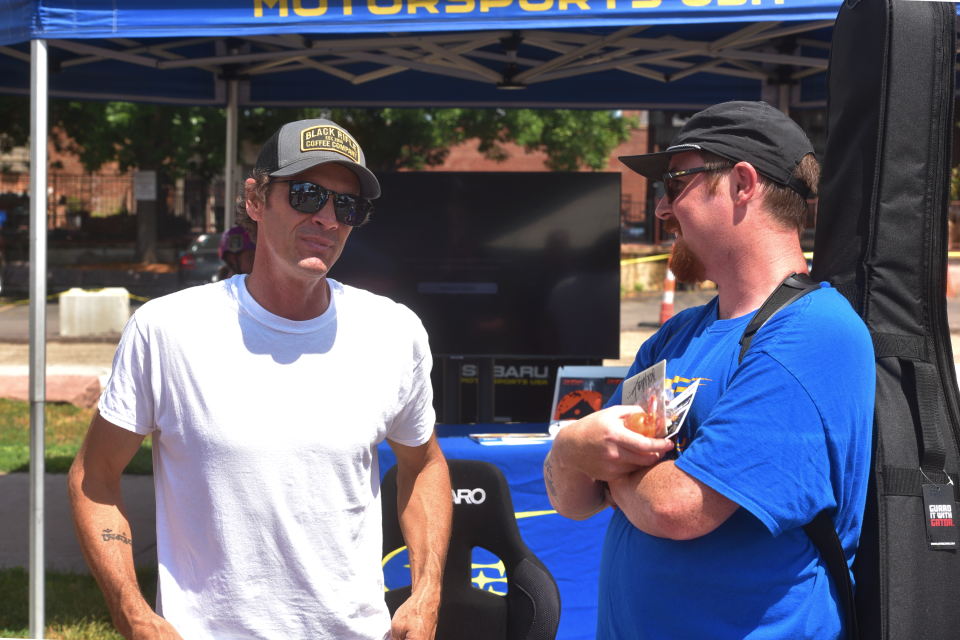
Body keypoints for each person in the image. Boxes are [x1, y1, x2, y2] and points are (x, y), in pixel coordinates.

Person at [68, 118, 453, 640]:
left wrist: (425, 595)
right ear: (255, 199)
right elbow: (94, 478)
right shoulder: (167, 330)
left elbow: (423, 463)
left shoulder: (393, 331)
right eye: (307, 193)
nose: (327, 218)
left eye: (347, 205)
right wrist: (131, 612)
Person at [544, 101, 875, 639]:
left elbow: (676, 508)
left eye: (675, 183)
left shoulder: (814, 333)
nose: (659, 209)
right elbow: (573, 498)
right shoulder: (676, 336)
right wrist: (571, 449)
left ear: (742, 184)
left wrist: (601, 464)